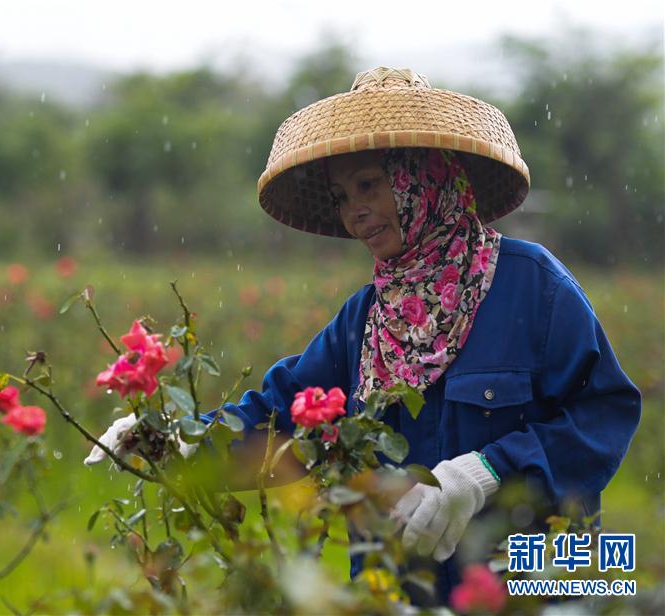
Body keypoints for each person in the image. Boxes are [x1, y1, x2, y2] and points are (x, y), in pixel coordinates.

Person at [85, 67, 642, 606]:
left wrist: (487, 472)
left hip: (532, 582)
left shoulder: (533, 285)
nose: (356, 213)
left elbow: (604, 414)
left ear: (425, 177)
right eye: (342, 197)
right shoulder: (366, 320)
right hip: (399, 589)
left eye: (370, 185)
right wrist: (175, 441)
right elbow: (285, 414)